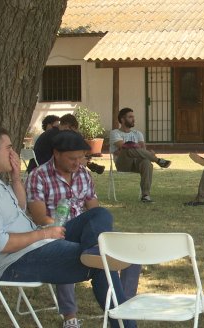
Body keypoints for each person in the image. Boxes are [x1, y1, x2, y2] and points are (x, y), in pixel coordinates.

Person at [0, 126, 135, 328]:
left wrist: (15, 178)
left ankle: (95, 251)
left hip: (35, 247)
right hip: (15, 262)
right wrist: (42, 234)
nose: (13, 153)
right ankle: (126, 324)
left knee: (100, 215)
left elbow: (20, 207)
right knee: (103, 261)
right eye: (9, 148)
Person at [26, 130, 140, 327]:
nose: (77, 162)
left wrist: (98, 233)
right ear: (56, 153)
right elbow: (39, 217)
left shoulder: (83, 175)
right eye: (72, 158)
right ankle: (71, 316)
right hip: (55, 229)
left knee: (131, 248)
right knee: (69, 246)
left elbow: (93, 210)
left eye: (81, 157)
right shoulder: (38, 176)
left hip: (87, 232)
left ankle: (124, 302)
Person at [109, 107, 172, 203]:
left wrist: (142, 151)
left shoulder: (138, 134)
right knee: (128, 148)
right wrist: (136, 148)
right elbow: (123, 148)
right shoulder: (115, 133)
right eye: (130, 117)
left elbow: (143, 150)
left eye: (133, 117)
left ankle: (145, 195)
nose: (133, 119)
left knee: (146, 162)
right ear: (122, 119)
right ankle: (158, 160)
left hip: (137, 163)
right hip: (123, 163)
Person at [28, 113, 104, 175]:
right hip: (43, 171)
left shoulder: (52, 133)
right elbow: (64, 158)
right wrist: (82, 161)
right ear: (67, 127)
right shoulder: (57, 136)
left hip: (37, 167)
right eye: (72, 132)